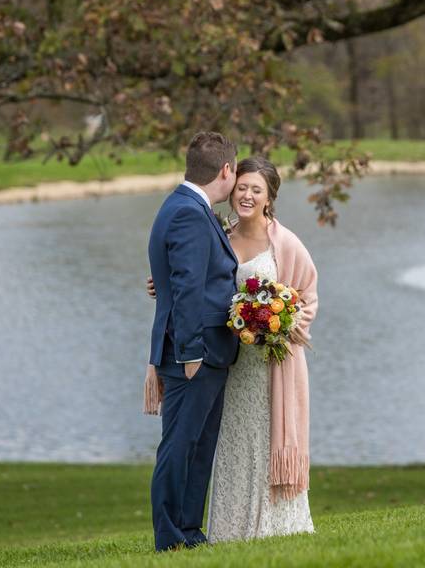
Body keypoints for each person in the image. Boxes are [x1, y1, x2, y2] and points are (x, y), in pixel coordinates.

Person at [146, 154, 318, 542]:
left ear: (269, 197)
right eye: (242, 187)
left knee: (263, 438)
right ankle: (228, 528)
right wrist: (162, 284)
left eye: (256, 189)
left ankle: (273, 524)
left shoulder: (285, 243)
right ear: (231, 187)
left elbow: (307, 297)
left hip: (269, 364)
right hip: (229, 361)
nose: (247, 195)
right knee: (228, 442)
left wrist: (280, 328)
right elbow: (196, 279)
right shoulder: (219, 232)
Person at [143, 131, 240, 551]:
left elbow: (187, 276)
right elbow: (186, 289)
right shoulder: (188, 213)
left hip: (207, 352)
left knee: (198, 444)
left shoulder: (184, 206)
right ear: (226, 170)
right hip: (193, 355)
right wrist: (191, 352)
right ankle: (169, 536)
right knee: (180, 444)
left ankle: (189, 528)